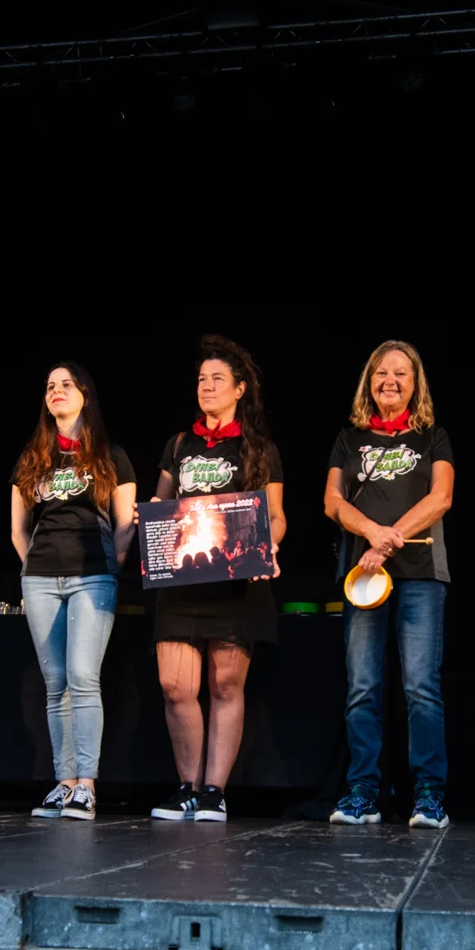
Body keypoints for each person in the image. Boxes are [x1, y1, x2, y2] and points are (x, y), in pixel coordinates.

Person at [150, 336, 287, 822]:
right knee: (175, 684)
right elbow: (161, 505)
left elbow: (275, 515)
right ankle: (187, 786)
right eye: (202, 379)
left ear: (239, 389)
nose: (207, 387)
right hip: (183, 579)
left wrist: (270, 544)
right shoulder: (179, 445)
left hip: (235, 580)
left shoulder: (258, 447)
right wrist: (147, 520)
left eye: (217, 379)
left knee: (225, 684)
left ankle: (213, 791)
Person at [324, 340, 455, 828]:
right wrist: (371, 534)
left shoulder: (433, 437)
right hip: (362, 575)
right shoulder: (349, 438)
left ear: (415, 383)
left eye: (401, 373)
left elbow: (442, 498)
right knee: (362, 686)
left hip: (420, 574)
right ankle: (362, 792)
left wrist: (386, 542)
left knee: (421, 686)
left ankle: (429, 795)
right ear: (369, 381)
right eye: (381, 373)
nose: (390, 381)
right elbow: (332, 501)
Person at [8, 362, 137, 820]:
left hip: (92, 576)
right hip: (41, 577)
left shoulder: (110, 455)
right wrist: (32, 567)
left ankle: (86, 785)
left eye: (66, 385)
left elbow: (126, 524)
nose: (56, 391)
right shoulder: (32, 458)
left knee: (83, 676)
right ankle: (64, 784)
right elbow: (17, 529)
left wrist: (110, 565)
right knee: (56, 683)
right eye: (50, 387)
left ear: (85, 394)